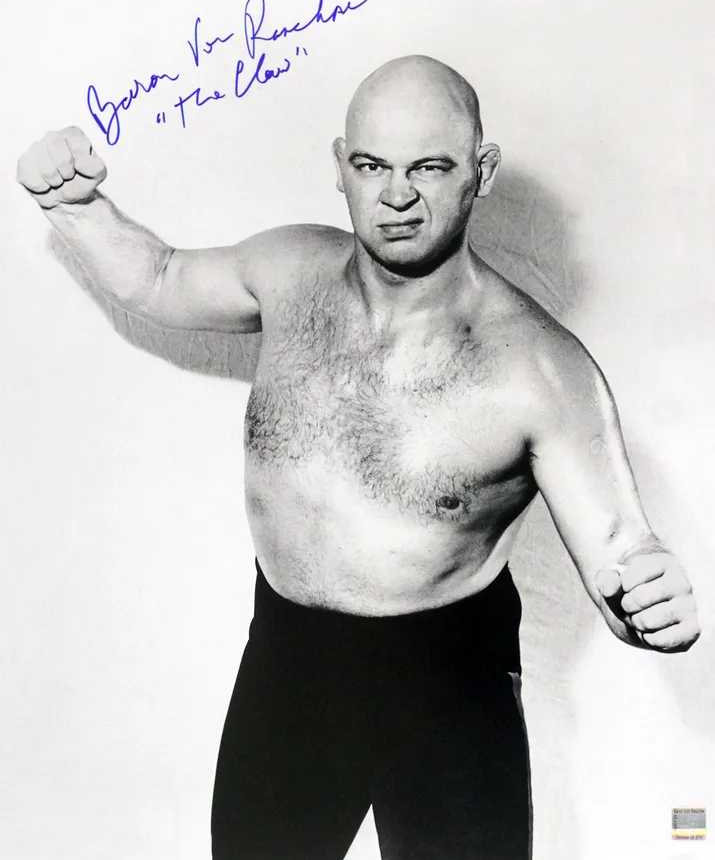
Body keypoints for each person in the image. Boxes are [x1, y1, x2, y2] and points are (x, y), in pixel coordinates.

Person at [17, 55, 700, 860]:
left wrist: (650, 602)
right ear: (340, 165)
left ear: (481, 171)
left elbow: (621, 550)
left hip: (449, 682)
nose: (396, 196)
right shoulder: (287, 271)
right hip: (289, 664)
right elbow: (161, 278)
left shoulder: (540, 370)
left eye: (429, 168)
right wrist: (77, 208)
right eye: (373, 166)